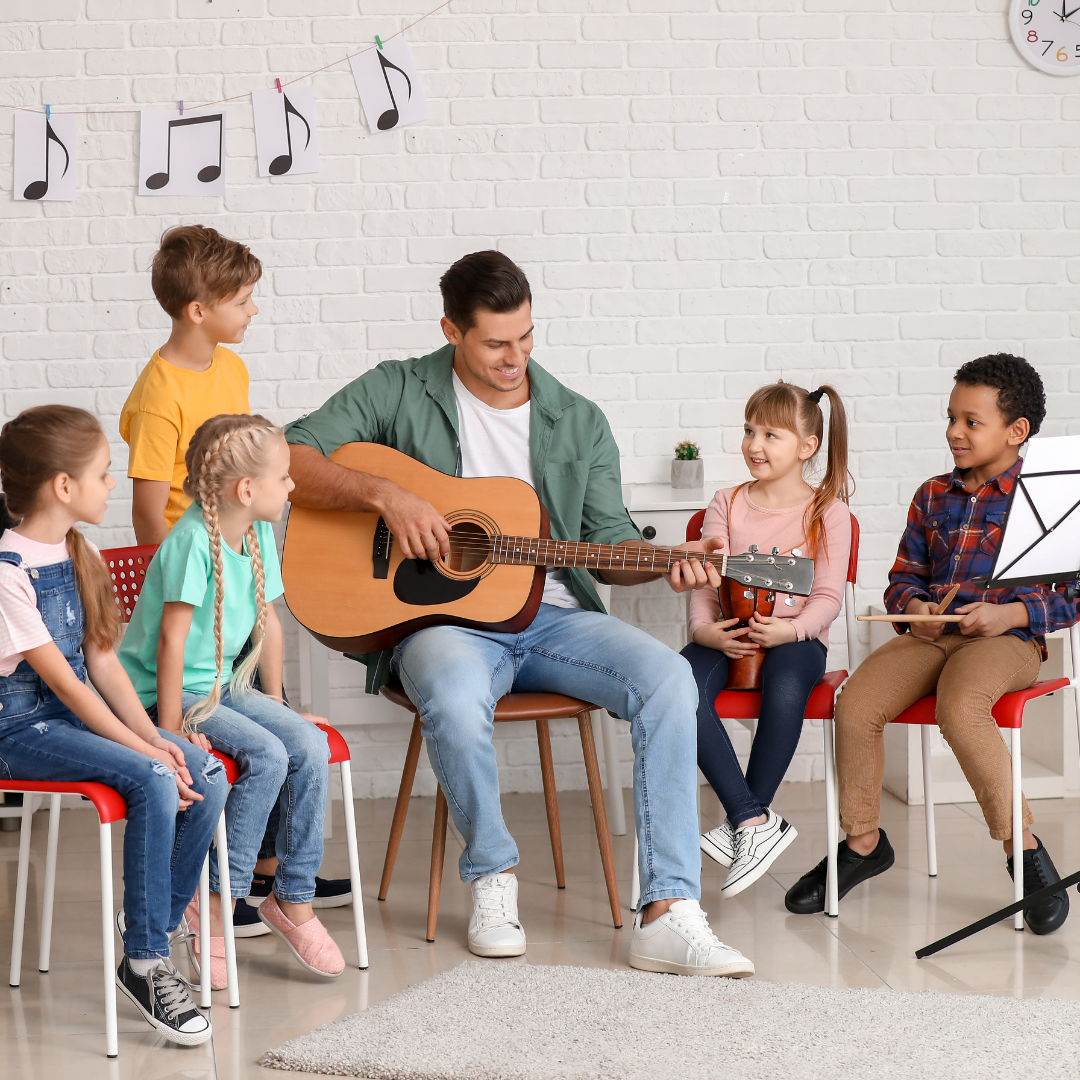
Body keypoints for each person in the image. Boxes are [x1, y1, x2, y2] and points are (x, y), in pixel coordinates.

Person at [284, 250, 754, 978]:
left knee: (667, 678)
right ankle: (493, 877)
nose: (516, 357)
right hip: (442, 627)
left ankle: (667, 910)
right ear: (451, 331)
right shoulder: (397, 389)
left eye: (527, 338)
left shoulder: (576, 419)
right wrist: (387, 496)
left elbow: (604, 545)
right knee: (451, 689)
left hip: (556, 619)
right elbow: (287, 457)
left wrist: (670, 560)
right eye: (496, 343)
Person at [785, 354, 1076, 934]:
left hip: (1008, 638)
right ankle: (864, 842)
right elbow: (903, 579)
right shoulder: (932, 494)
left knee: (961, 706)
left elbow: (1074, 594)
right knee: (858, 703)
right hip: (934, 636)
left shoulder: (1048, 496)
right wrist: (912, 610)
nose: (954, 432)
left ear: (1016, 432)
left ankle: (1024, 848)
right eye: (951, 418)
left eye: (972, 421)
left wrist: (1012, 612)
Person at [0, 405, 227, 1045]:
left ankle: (147, 923)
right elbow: (65, 684)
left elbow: (102, 661)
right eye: (103, 474)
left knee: (203, 769)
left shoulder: (80, 550)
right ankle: (148, 961)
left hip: (71, 717)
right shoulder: (8, 574)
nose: (112, 485)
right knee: (155, 776)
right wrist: (149, 751)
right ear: (63, 487)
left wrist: (158, 735)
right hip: (19, 732)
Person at [119, 414, 344, 987]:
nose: (292, 486)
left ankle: (291, 898)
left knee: (306, 743)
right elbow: (171, 643)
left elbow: (268, 619)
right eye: (286, 478)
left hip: (226, 686)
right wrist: (168, 732)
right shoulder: (191, 540)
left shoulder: (258, 532)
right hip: (168, 696)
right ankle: (216, 902)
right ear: (248, 489)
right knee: (268, 756)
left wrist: (281, 704)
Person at [683, 382, 852, 897]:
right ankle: (753, 822)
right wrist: (703, 631)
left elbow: (826, 597)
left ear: (808, 445)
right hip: (725, 631)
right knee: (675, 690)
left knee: (784, 689)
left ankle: (744, 820)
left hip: (796, 638)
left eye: (771, 435)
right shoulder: (726, 503)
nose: (755, 444)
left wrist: (792, 629)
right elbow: (707, 580)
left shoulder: (829, 512)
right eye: (749, 431)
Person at [120, 224, 257, 546]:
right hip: (188, 556)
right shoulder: (157, 400)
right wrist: (168, 583)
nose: (253, 310)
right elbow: (147, 513)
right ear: (198, 311)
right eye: (241, 302)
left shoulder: (232, 366)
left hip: (233, 546)